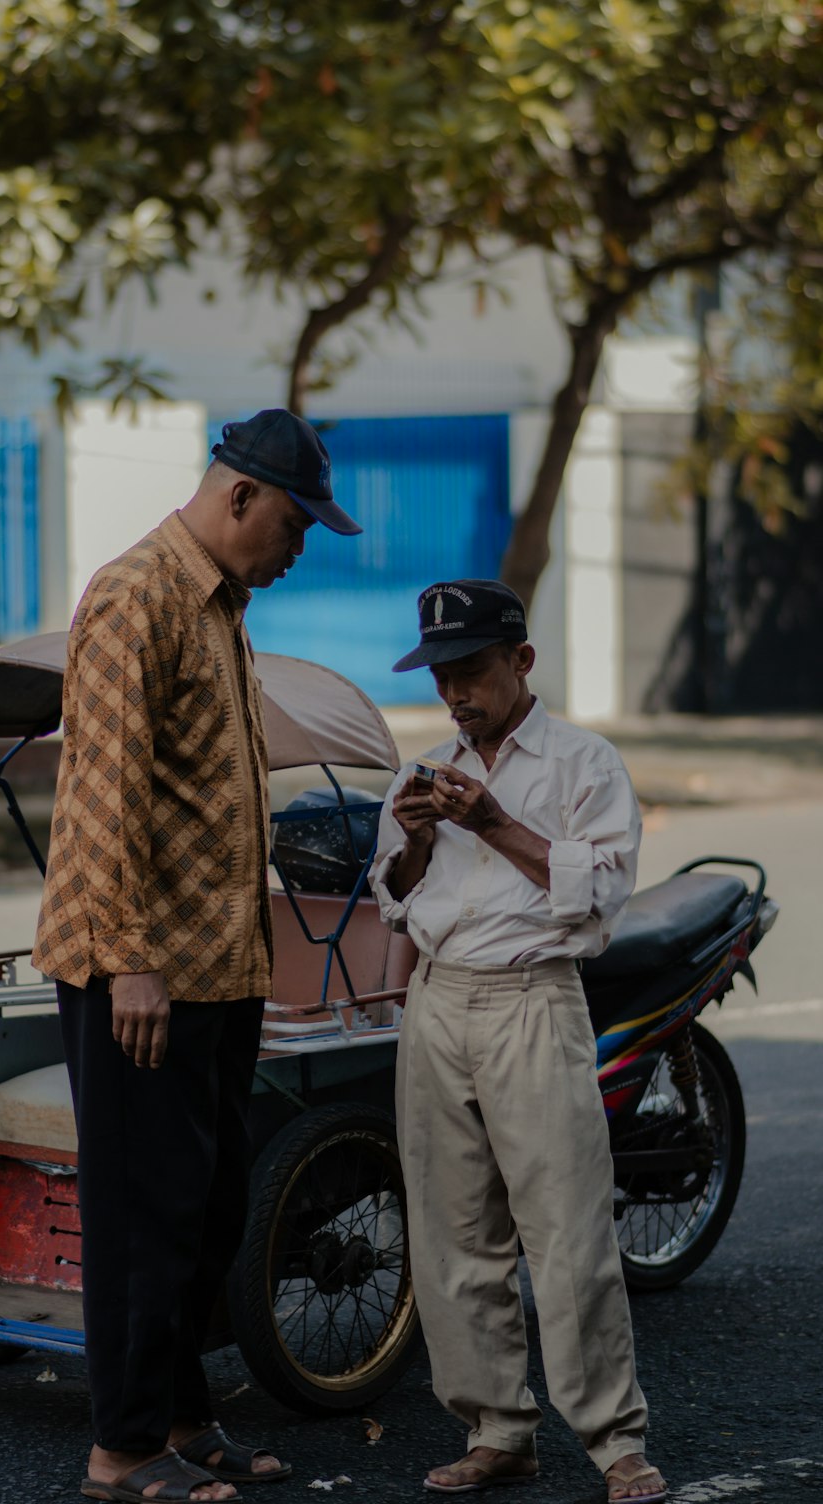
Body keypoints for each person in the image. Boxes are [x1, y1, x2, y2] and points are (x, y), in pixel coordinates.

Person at [32, 410, 362, 1504]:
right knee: (142, 1216)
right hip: (143, 975)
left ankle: (178, 1416)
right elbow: (101, 793)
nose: (298, 547)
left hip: (217, 970)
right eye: (294, 522)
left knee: (206, 1208)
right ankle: (120, 1451)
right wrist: (128, 957)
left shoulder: (222, 605)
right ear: (238, 499)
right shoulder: (138, 594)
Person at [369, 580, 667, 1504]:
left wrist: (491, 823)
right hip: (440, 1003)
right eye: (442, 677)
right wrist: (418, 841)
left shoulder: (584, 765)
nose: (457, 695)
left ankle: (616, 1443)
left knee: (568, 1235)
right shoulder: (424, 770)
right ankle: (495, 1427)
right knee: (453, 1236)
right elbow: (396, 896)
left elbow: (601, 892)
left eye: (472, 672)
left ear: (522, 662)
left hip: (534, 1002)